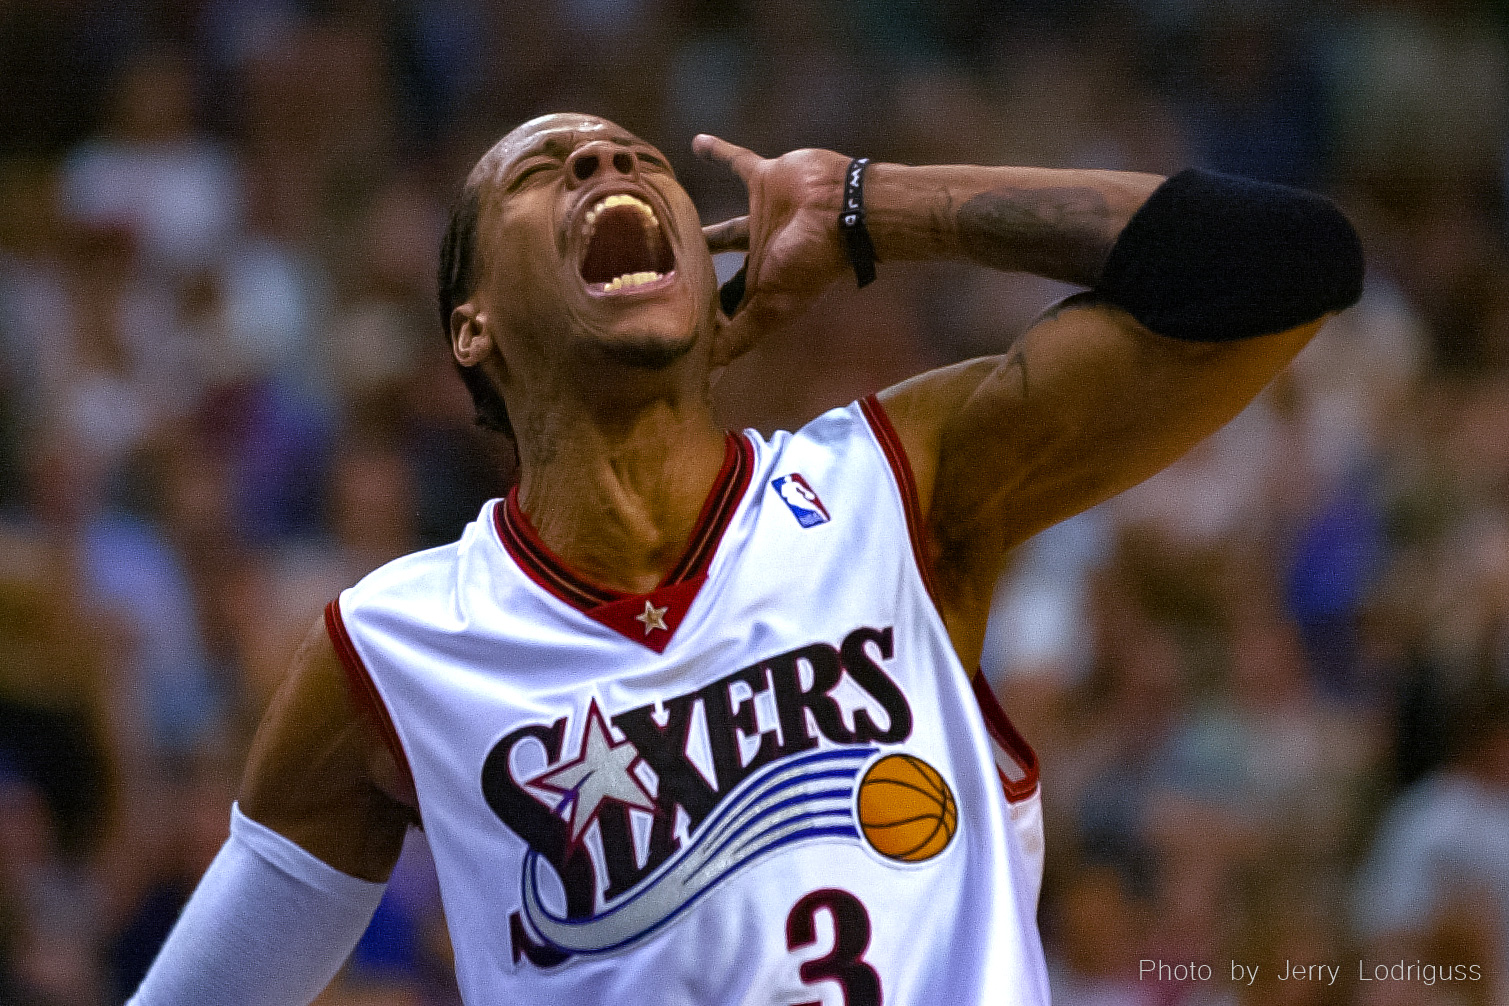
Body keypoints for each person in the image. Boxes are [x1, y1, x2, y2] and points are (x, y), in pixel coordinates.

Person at [128, 112, 1363, 1005]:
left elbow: (1290, 262)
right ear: (473, 326)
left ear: (710, 288)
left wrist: (876, 207)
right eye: (545, 169)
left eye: (634, 158)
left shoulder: (893, 488)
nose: (607, 162)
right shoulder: (393, 650)